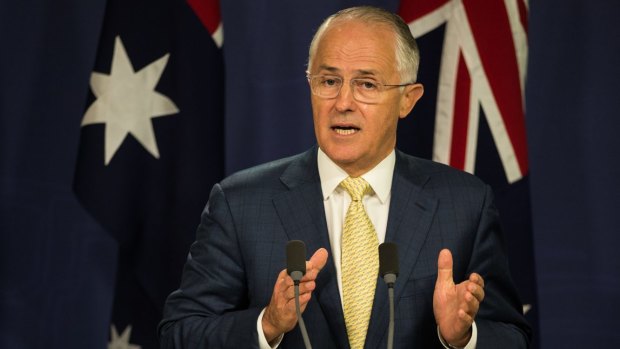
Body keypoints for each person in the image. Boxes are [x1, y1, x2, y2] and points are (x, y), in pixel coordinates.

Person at [159, 6, 530, 348]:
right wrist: (266, 325)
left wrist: (462, 337)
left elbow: (512, 336)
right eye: (328, 81)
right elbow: (180, 333)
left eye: (367, 84)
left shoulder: (465, 203)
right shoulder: (240, 203)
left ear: (408, 99)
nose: (343, 102)